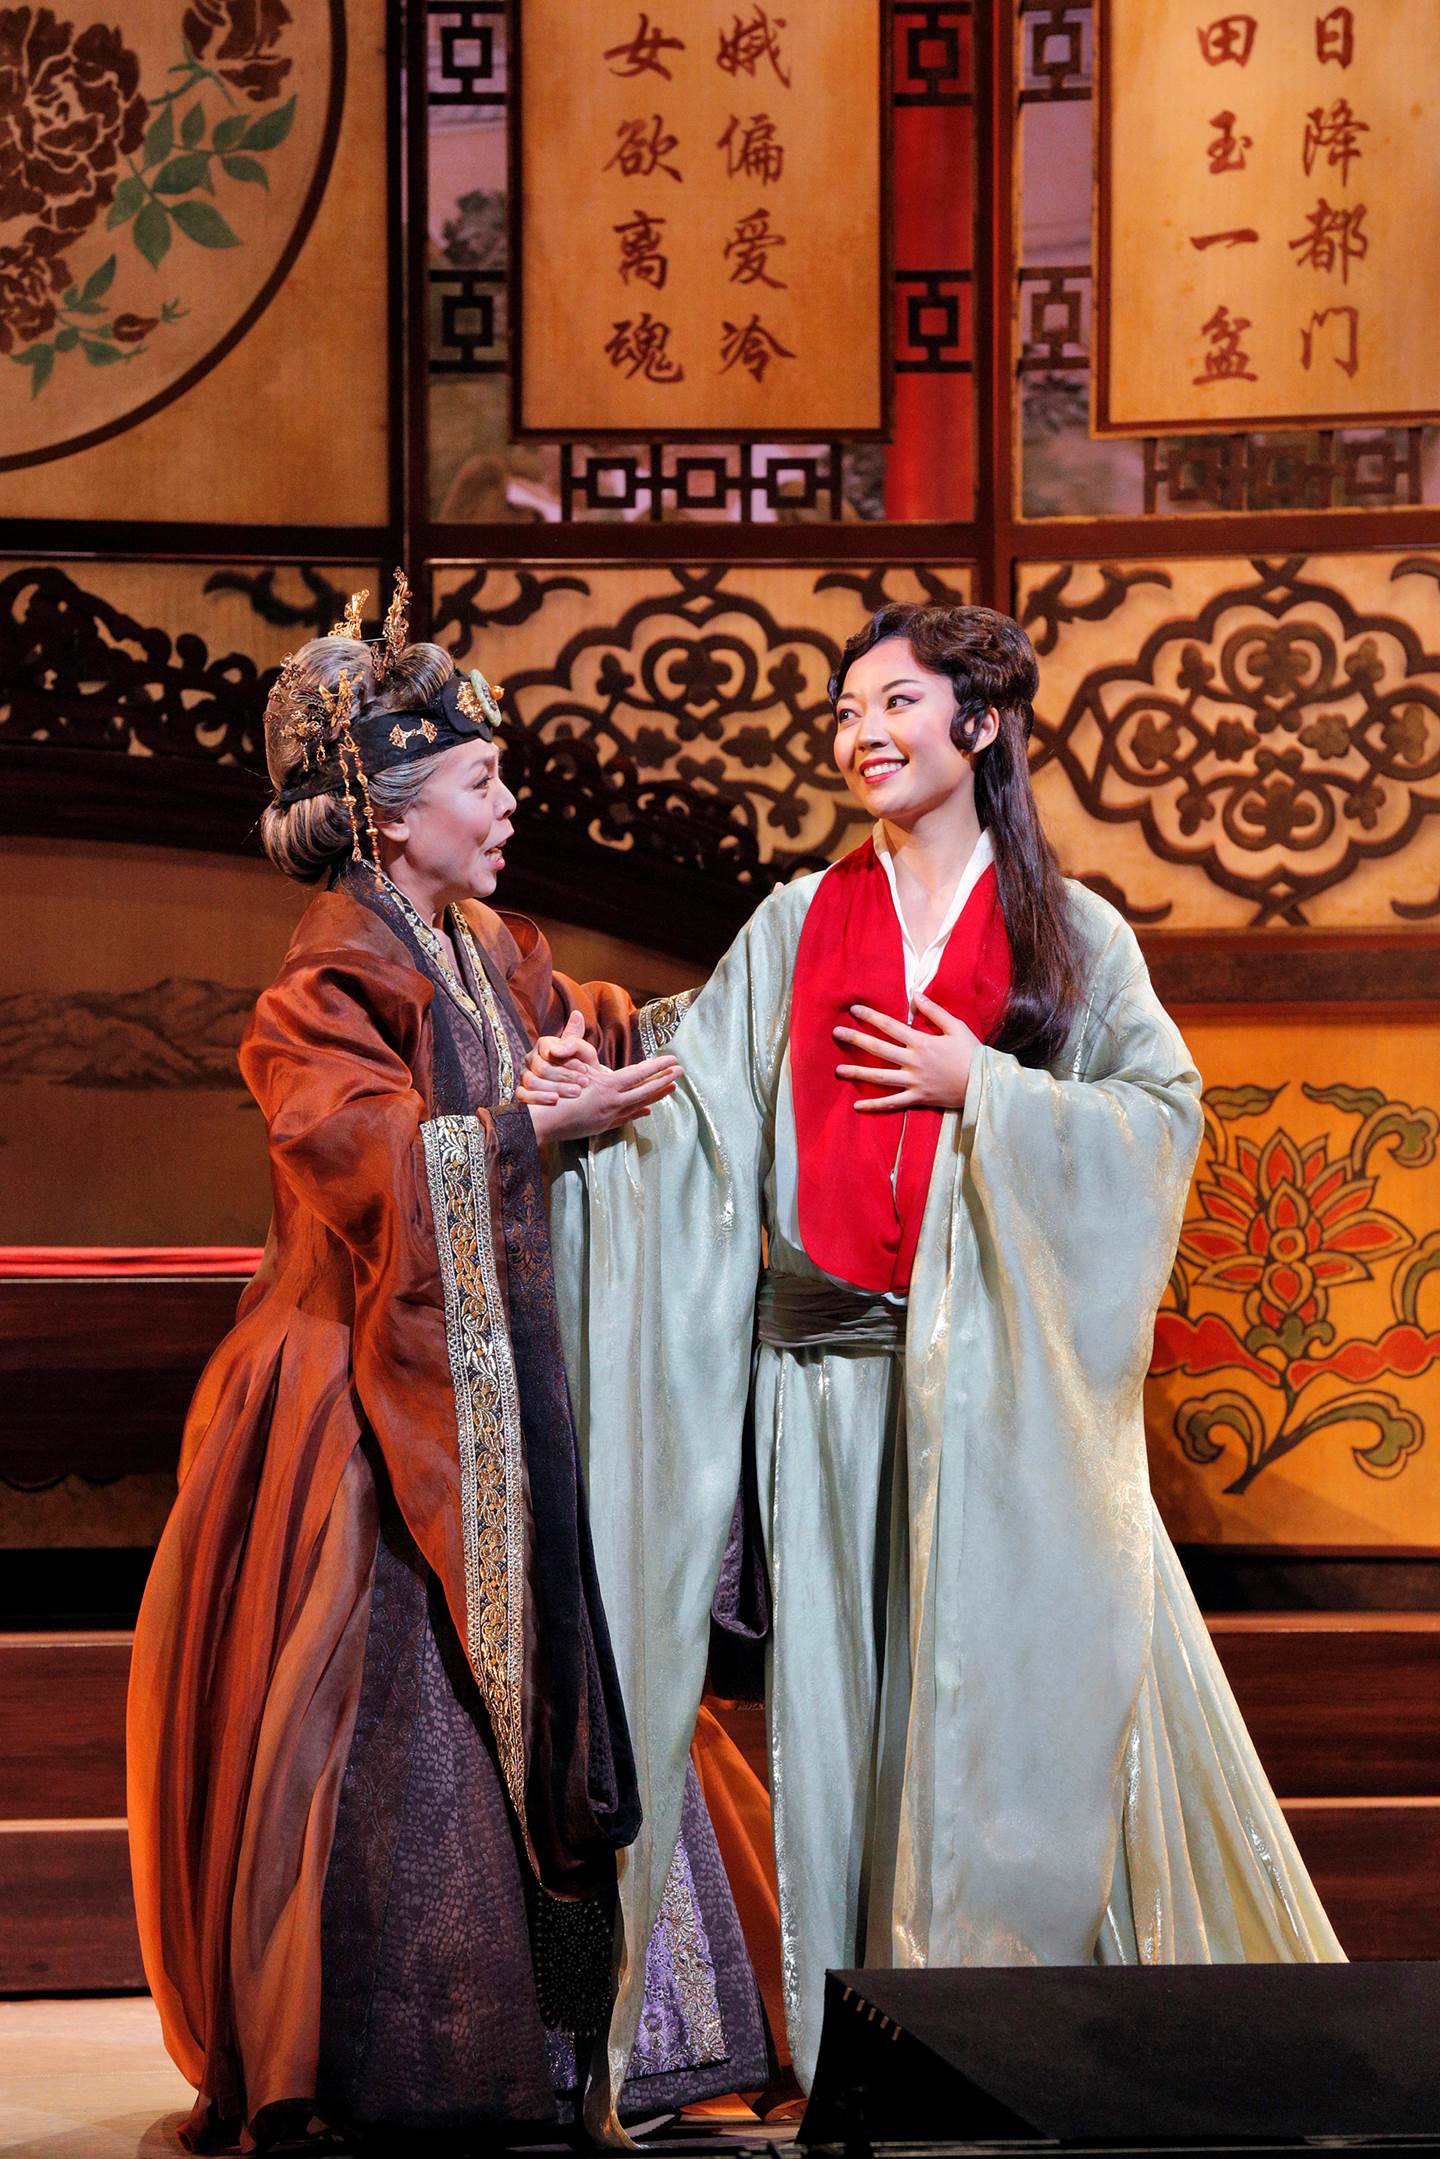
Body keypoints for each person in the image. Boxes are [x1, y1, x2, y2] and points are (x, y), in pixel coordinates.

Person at [542, 601, 1344, 2112]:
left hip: (999, 1403)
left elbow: (1162, 1118)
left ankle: (1009, 2032)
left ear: (980, 726)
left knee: (1001, 1704)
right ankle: (860, 2045)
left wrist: (992, 1088)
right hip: (825, 1392)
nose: (863, 732)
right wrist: (603, 1091)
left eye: (896, 702)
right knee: (849, 1715)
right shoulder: (796, 923)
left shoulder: (1071, 932)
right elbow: (698, 1111)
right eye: (848, 708)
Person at [126, 580, 769, 2151]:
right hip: (365, 1402)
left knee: (559, 1674)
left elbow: (573, 1031)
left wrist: (585, 1062)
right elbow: (365, 1159)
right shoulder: (324, 986)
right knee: (400, 1718)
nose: (508, 804)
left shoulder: (487, 943)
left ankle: (597, 2041)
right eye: (484, 781)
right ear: (394, 815)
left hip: (501, 1380)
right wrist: (528, 1130)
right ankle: (429, 2060)